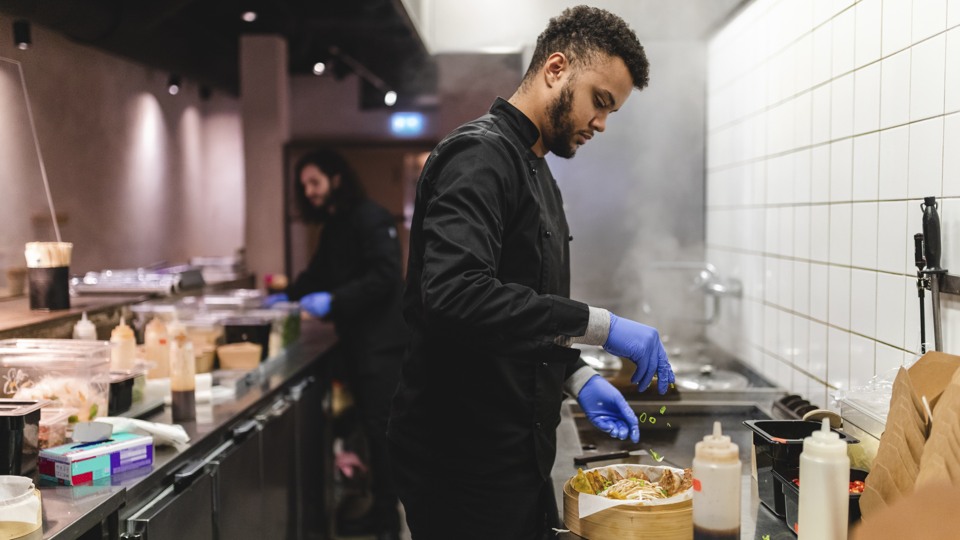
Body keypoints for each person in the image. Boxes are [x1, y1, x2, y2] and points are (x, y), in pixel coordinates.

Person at [387, 5, 675, 539]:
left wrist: (575, 373)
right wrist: (604, 327)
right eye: (600, 101)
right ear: (556, 69)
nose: (602, 124)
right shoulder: (478, 156)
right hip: (461, 460)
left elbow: (515, 313)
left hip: (513, 453)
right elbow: (455, 296)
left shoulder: (536, 167)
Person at [265, 148, 407, 540]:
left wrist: (335, 300)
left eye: (315, 182)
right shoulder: (335, 224)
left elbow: (385, 276)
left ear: (336, 179)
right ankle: (377, 516)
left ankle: (388, 525)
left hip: (383, 348)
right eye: (304, 185)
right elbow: (317, 275)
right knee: (369, 432)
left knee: (382, 438)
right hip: (358, 346)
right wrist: (288, 296)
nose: (308, 191)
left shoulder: (370, 217)